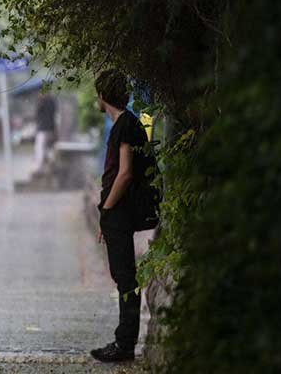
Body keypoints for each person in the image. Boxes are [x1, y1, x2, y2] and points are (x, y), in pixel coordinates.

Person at [90, 70, 155, 363]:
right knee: (123, 276)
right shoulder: (125, 123)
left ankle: (124, 345)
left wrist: (106, 208)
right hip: (116, 212)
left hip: (119, 211)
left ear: (103, 96)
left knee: (126, 278)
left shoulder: (125, 125)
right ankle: (123, 341)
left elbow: (125, 173)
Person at [34, 93, 58, 173]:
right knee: (48, 147)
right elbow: (55, 113)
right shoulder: (52, 101)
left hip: (43, 128)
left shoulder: (42, 101)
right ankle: (51, 164)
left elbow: (37, 115)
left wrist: (40, 101)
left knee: (40, 148)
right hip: (51, 128)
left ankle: (40, 167)